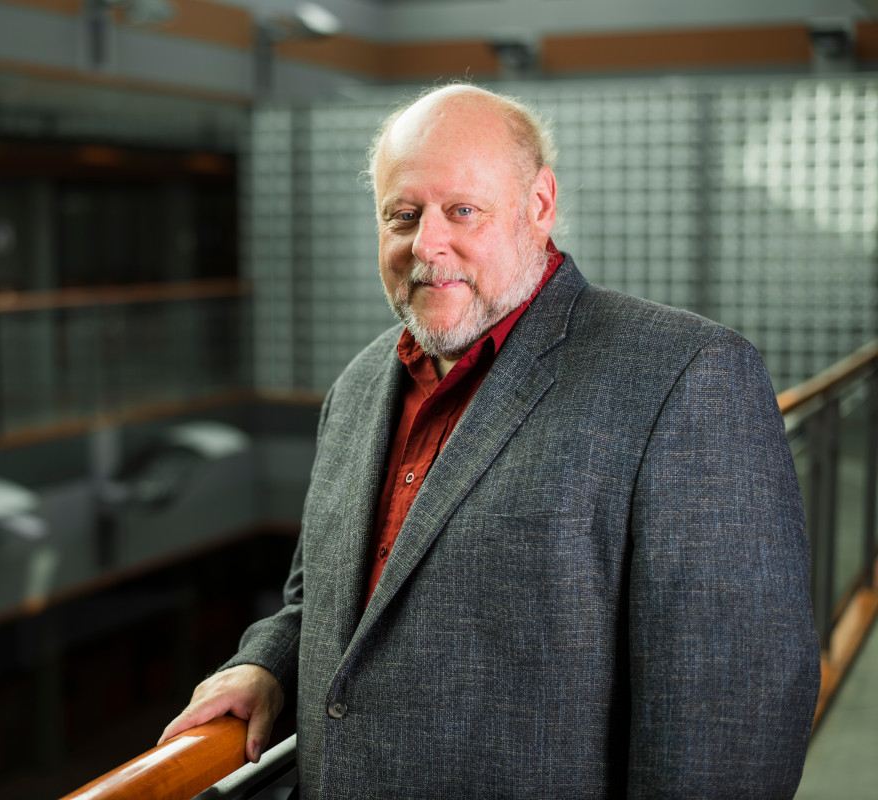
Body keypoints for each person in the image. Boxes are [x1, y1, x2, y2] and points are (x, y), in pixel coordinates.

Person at [160, 84, 820, 798]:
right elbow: (318, 597)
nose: (427, 244)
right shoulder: (356, 389)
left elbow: (733, 716)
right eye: (402, 215)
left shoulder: (686, 376)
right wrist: (264, 665)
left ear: (539, 206)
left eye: (462, 211)